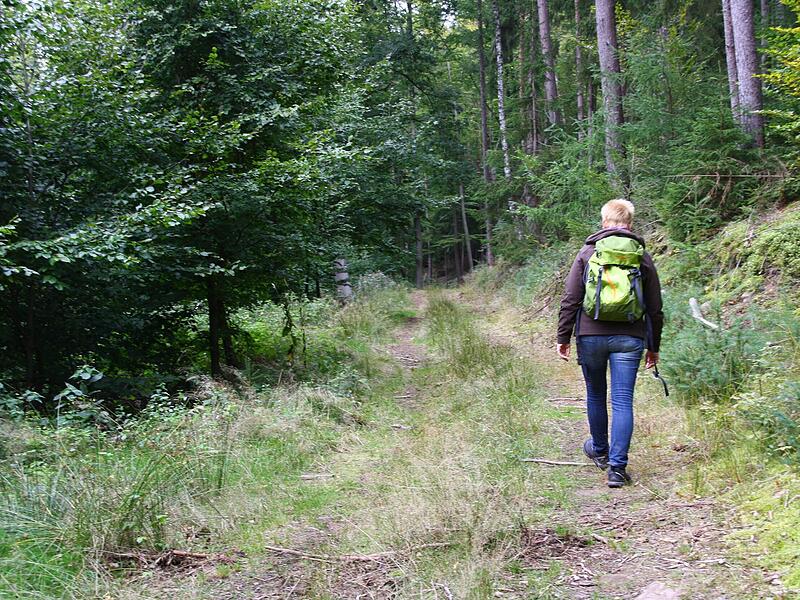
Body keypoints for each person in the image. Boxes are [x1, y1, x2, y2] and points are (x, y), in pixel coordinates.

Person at [556, 199, 663, 488]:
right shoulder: (640, 255)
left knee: (595, 394)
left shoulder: (588, 251)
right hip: (630, 337)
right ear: (629, 222)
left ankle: (600, 451)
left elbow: (571, 298)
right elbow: (655, 307)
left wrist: (563, 337)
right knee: (622, 400)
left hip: (590, 335)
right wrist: (653, 346)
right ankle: (617, 469)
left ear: (605, 221)